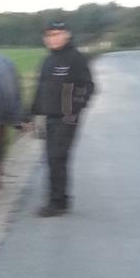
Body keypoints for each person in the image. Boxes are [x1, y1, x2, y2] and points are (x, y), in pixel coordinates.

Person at [30, 17, 95, 216]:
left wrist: (73, 107)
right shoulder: (48, 61)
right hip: (49, 117)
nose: (54, 38)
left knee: (57, 158)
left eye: (57, 34)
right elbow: (41, 90)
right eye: (50, 35)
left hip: (67, 117)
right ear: (45, 39)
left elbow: (88, 86)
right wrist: (31, 114)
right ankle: (62, 199)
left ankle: (56, 203)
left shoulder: (75, 58)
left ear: (67, 35)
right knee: (53, 159)